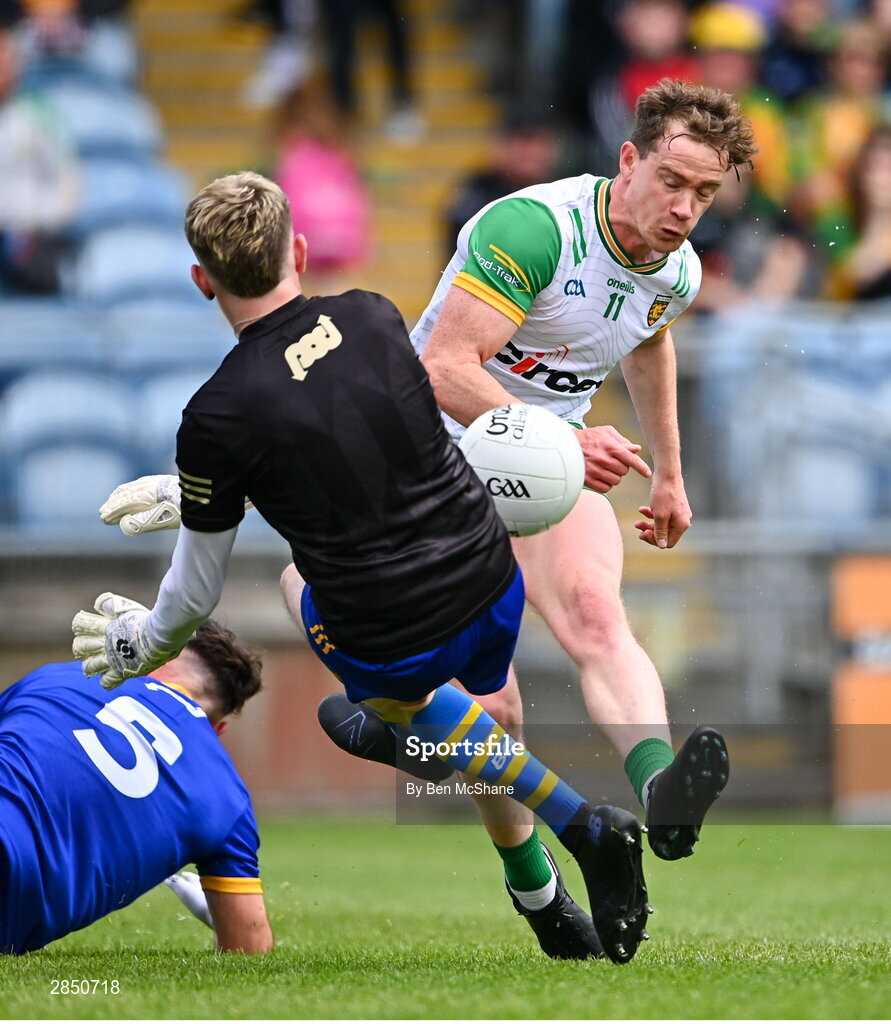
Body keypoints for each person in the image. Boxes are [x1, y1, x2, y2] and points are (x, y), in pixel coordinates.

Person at [72, 171, 651, 965]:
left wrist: (148, 637)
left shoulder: (216, 416)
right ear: (299, 252)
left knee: (308, 600)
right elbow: (351, 423)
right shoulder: (373, 316)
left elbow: (196, 590)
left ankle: (571, 818)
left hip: (394, 632)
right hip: (489, 582)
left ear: (201, 280)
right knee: (487, 721)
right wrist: (203, 493)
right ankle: (537, 895)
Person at [323, 79, 745, 870]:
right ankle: (526, 873)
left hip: (547, 455)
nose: (685, 208)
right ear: (628, 160)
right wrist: (559, 442)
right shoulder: (534, 228)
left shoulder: (675, 269)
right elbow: (444, 368)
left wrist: (668, 476)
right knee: (494, 708)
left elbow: (648, 339)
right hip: (429, 454)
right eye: (671, 182)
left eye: (703, 193)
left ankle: (659, 792)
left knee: (594, 611)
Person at [1, 619, 273, 955]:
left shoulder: (59, 676)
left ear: (147, 657)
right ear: (217, 729)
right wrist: (223, 922)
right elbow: (250, 949)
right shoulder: (229, 798)